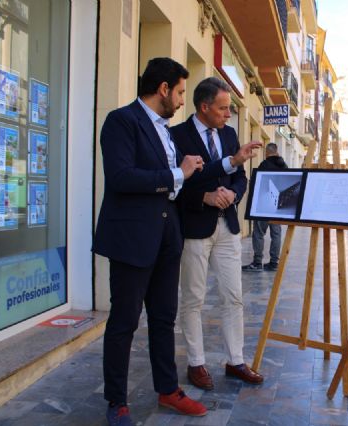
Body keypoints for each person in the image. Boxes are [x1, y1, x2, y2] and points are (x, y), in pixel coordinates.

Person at [93, 58, 208, 425]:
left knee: (163, 318)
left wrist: (186, 172)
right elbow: (122, 177)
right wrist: (177, 173)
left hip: (166, 236)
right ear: (162, 89)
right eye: (178, 92)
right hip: (132, 238)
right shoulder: (121, 121)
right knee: (124, 322)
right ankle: (117, 402)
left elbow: (169, 181)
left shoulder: (167, 131)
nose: (180, 101)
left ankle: (168, 389)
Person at [169, 77, 264, 392]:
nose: (228, 115)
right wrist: (203, 197)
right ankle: (196, 363)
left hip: (228, 227)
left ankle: (235, 360)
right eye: (223, 108)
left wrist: (233, 194)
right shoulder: (176, 136)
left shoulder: (230, 134)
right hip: (195, 227)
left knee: (233, 297)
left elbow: (240, 175)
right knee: (193, 298)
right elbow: (173, 185)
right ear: (204, 107)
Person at [242, 142, 288, 272]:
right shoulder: (284, 166)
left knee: (258, 233)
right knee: (276, 233)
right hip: (278, 206)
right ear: (277, 151)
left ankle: (257, 262)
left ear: (267, 152)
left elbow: (257, 185)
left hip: (263, 205)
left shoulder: (264, 165)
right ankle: (274, 262)